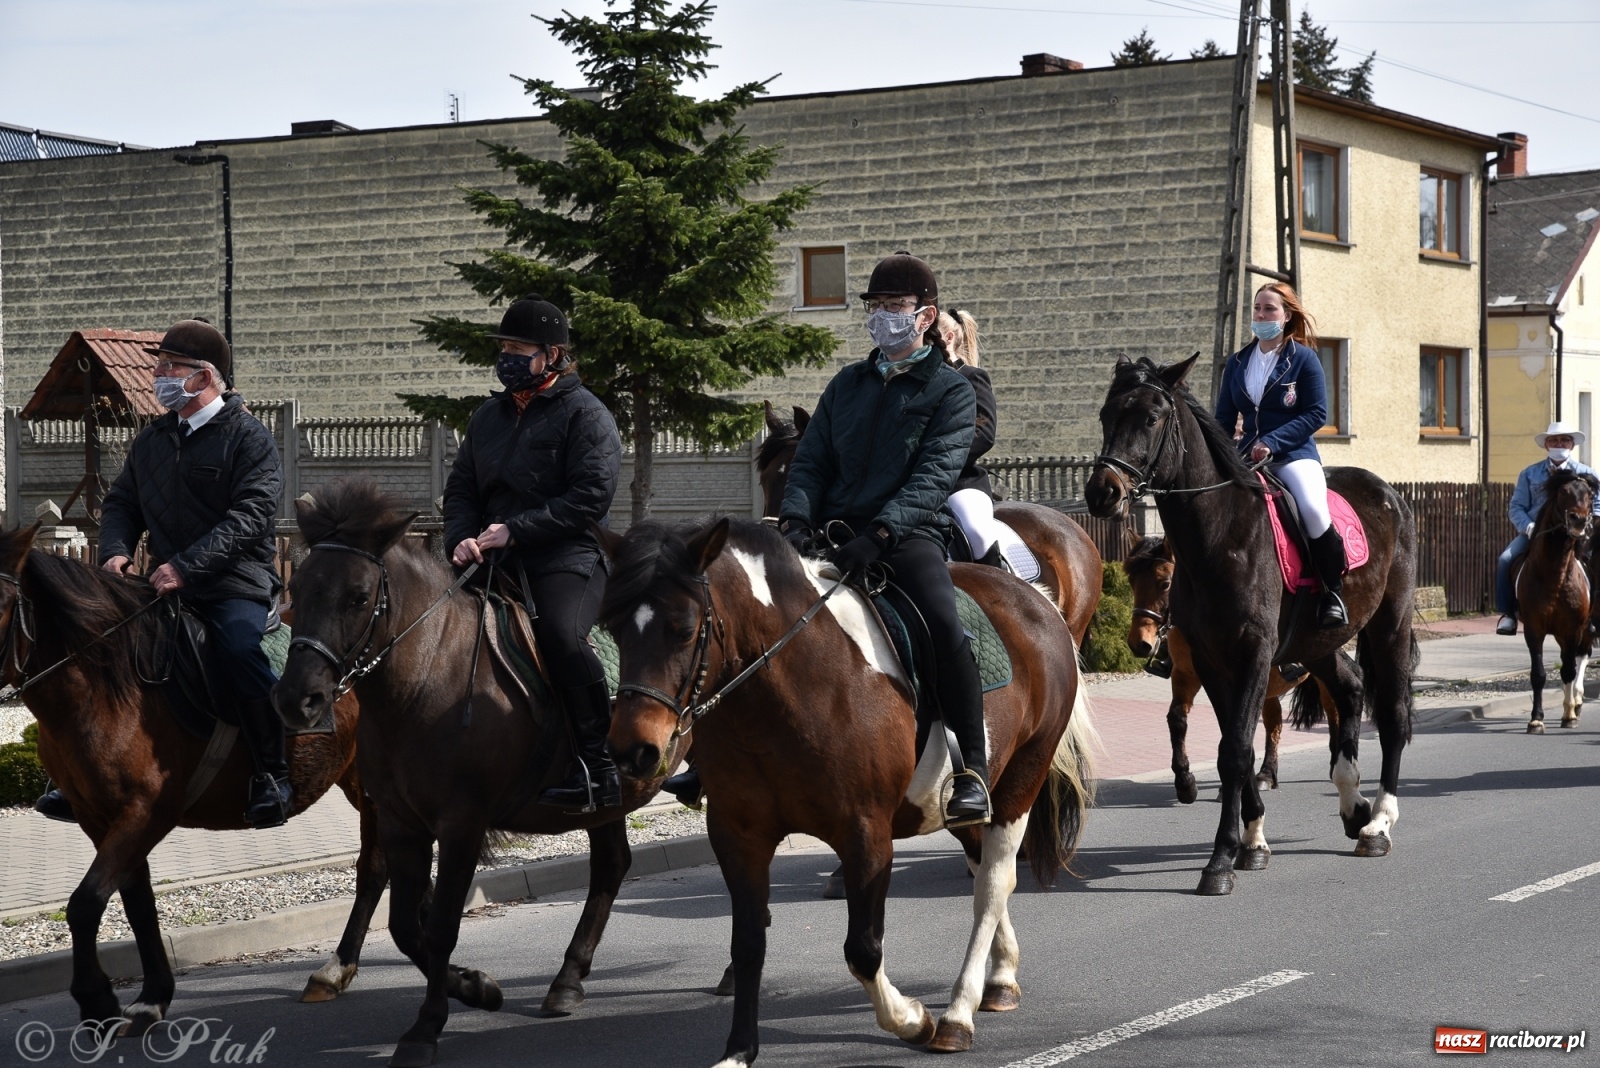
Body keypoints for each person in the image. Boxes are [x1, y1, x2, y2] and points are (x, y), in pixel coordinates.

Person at [36, 318, 291, 828]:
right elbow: (122, 503)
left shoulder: (249, 438)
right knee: (96, 639)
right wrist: (114, 552)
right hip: (158, 582)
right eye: (160, 366)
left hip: (233, 584)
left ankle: (272, 773)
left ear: (206, 378)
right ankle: (77, 773)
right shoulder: (152, 440)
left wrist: (186, 567)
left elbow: (252, 516)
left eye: (172, 367)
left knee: (240, 650)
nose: (160, 375)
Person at [778, 252, 990, 827]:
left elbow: (935, 475)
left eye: (893, 308)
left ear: (925, 317)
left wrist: (881, 533)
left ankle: (973, 769)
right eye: (875, 308)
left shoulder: (951, 391)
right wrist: (795, 520)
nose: (881, 318)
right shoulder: (846, 384)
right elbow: (811, 461)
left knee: (944, 624)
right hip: (828, 535)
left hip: (907, 536)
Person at [443, 294, 623, 811]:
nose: (507, 357)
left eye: (518, 348)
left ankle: (597, 764)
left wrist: (516, 530)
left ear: (552, 354)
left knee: (563, 639)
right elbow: (462, 489)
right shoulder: (487, 418)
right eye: (503, 347)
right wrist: (461, 535)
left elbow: (590, 498)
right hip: (491, 556)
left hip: (567, 556)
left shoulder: (586, 414)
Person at [1215, 283, 1346, 628]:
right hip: (1246, 457)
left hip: (1293, 456)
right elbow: (1224, 421)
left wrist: (1273, 441)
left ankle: (1333, 591)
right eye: (1257, 308)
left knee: (1315, 511)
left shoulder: (1303, 360)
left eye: (1269, 309)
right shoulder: (1238, 362)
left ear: (1286, 316)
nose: (1261, 315)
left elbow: (1316, 414)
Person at [1495, 421, 1599, 636]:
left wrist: (1589, 524)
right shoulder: (1529, 474)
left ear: (1571, 445)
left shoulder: (1586, 473)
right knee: (1505, 559)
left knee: (1596, 563)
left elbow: (1598, 505)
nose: (1559, 443)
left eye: (1564, 440)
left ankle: (1593, 615)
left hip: (1576, 535)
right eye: (1554, 440)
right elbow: (1516, 507)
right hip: (1536, 535)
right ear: (1546, 445)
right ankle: (1508, 614)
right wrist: (1528, 526)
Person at [937, 308, 1005, 568]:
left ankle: (999, 591)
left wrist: (940, 461)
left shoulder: (973, 378)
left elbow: (984, 434)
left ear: (950, 337)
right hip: (913, 481)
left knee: (977, 533)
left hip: (960, 481)